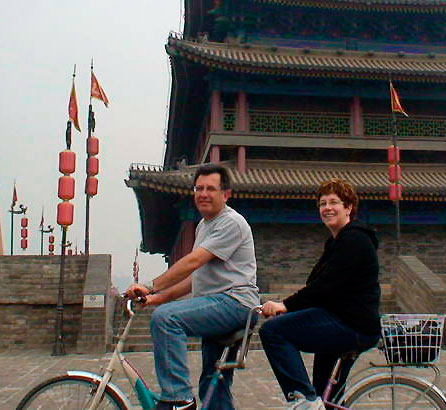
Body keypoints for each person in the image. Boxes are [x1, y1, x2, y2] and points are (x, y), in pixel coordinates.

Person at [125, 164, 259, 410]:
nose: (203, 194)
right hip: (216, 303)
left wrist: (149, 286)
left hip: (234, 302)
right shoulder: (204, 226)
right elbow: (195, 277)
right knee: (213, 381)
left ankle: (178, 399)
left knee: (166, 319)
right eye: (199, 188)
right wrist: (156, 298)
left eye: (211, 189)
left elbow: (193, 262)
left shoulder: (231, 222)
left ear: (226, 194)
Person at [259, 178, 381, 410]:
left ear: (348, 207)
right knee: (329, 400)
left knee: (273, 331)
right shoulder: (337, 242)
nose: (327, 208)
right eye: (322, 203)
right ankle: (316, 402)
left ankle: (303, 399)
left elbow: (326, 285)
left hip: (351, 325)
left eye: (334, 202)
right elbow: (320, 285)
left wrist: (286, 305)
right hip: (345, 321)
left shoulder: (355, 239)